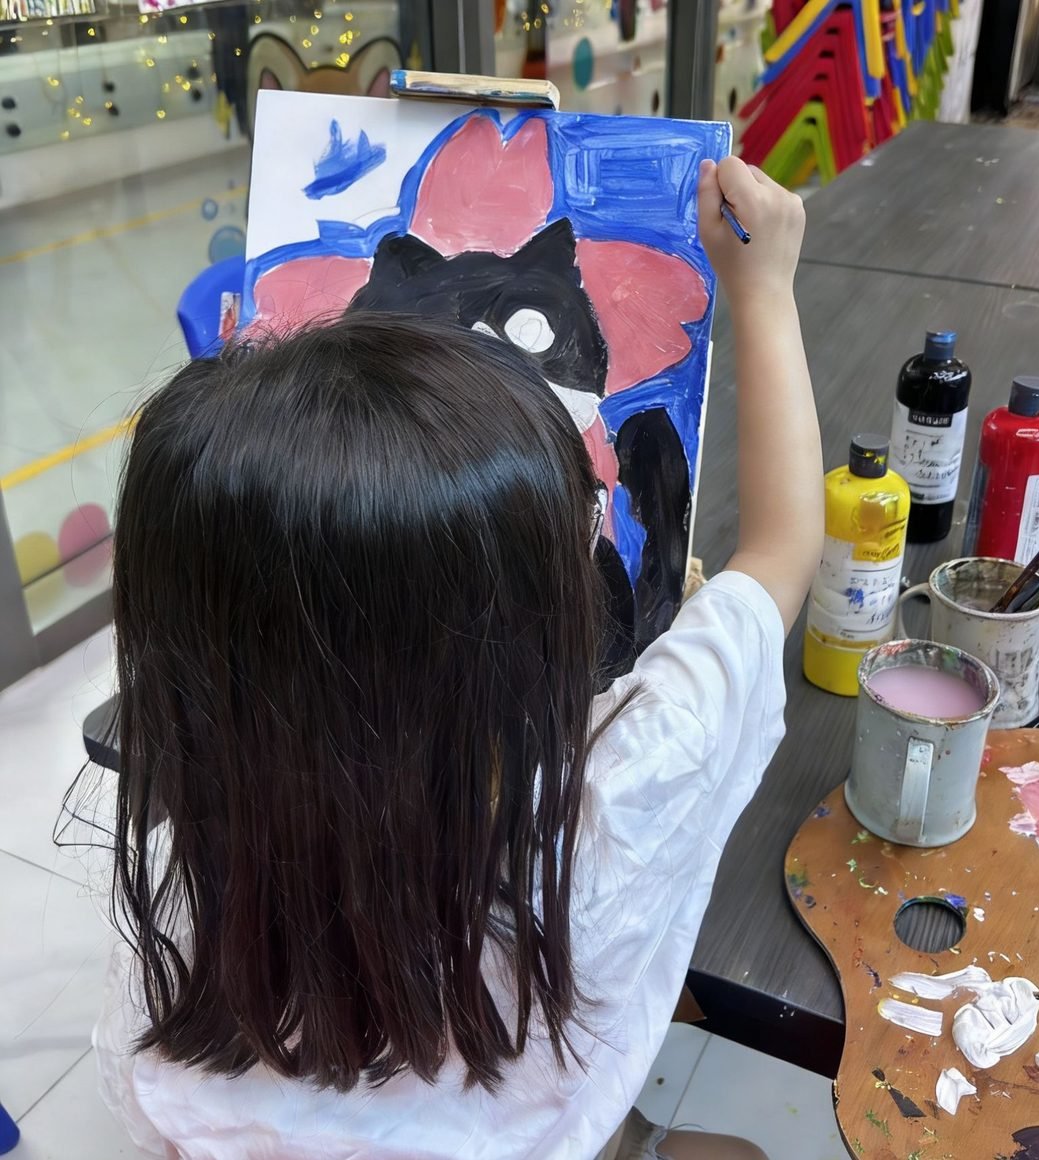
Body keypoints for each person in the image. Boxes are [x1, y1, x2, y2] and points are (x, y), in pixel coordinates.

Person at [82, 156, 822, 1159]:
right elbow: (781, 548)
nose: (598, 517)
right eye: (576, 522)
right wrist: (764, 287)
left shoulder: (194, 902)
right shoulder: (610, 814)